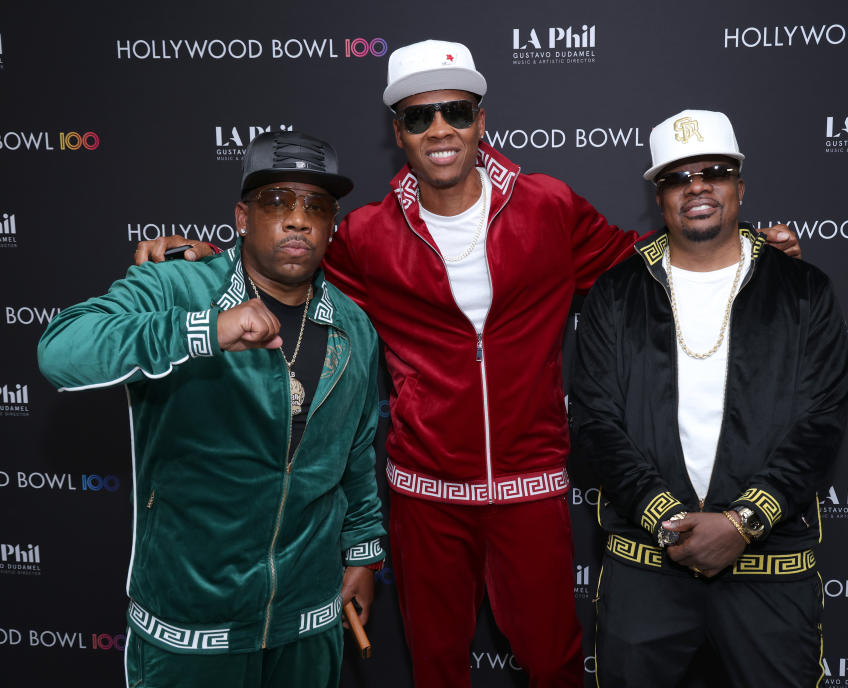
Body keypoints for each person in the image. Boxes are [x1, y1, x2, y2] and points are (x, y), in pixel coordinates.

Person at [134, 41, 801, 687]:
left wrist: (744, 249)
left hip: (531, 486)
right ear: (399, 132)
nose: (440, 128)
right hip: (425, 493)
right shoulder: (367, 233)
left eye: (455, 110)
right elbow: (287, 263)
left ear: (482, 119)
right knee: (436, 669)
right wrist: (208, 254)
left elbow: (638, 260)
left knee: (554, 665)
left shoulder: (548, 204)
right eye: (419, 116)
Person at [37, 131, 385, 688]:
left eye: (315, 206)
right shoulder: (178, 286)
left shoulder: (353, 325)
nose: (297, 219)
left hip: (307, 620)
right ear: (242, 218)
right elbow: (61, 351)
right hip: (193, 623)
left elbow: (357, 452)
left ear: (332, 224)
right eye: (276, 202)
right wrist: (204, 330)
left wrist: (364, 556)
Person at [571, 109, 848, 687]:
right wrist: (666, 517)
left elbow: (820, 420)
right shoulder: (615, 294)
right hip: (646, 564)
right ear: (658, 196)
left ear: (740, 186)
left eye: (715, 171)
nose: (697, 186)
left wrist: (745, 520)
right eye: (678, 176)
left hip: (769, 568)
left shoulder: (802, 291)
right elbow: (596, 422)